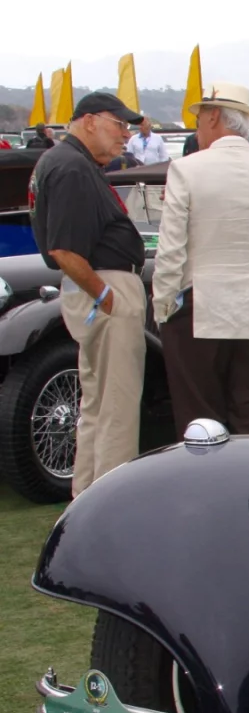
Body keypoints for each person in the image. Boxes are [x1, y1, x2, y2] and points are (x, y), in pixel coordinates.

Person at [152, 81, 249, 436]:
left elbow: (170, 250)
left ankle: (206, 488)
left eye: (200, 120)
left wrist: (163, 305)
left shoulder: (186, 169)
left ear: (214, 117)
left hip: (200, 302)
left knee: (200, 417)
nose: (198, 129)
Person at [28, 92, 146, 496]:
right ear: (91, 120)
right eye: (120, 125)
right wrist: (106, 296)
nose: (125, 136)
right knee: (117, 406)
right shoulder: (72, 167)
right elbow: (62, 249)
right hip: (102, 286)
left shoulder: (67, 162)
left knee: (96, 406)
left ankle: (89, 497)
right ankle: (111, 504)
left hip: (96, 287)